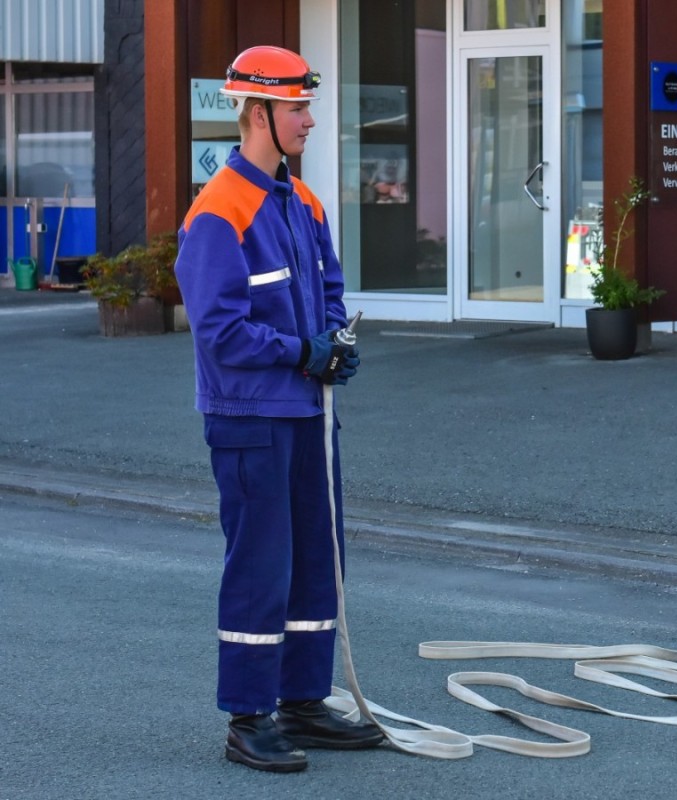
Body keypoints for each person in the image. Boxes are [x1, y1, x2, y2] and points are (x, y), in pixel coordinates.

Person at [175, 45, 381, 772]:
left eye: (307, 106)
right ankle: (249, 716)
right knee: (262, 563)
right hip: (250, 416)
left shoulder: (306, 203)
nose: (310, 121)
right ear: (257, 113)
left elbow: (328, 292)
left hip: (308, 412)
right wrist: (302, 351)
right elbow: (220, 328)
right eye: (297, 108)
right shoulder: (217, 212)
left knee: (316, 562)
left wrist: (334, 341)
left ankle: (302, 701)